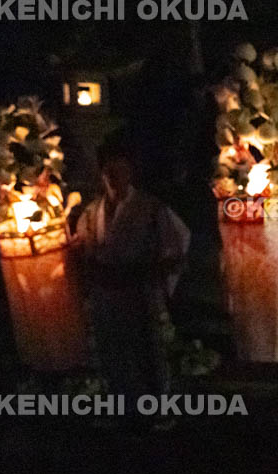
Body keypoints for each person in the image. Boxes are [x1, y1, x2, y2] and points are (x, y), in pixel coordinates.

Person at [73, 143, 190, 431]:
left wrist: (158, 277)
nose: (114, 177)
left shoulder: (151, 208)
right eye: (108, 172)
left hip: (139, 288)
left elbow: (176, 244)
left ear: (130, 173)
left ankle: (160, 410)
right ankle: (120, 408)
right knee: (110, 350)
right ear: (102, 175)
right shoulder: (92, 211)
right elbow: (84, 249)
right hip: (106, 290)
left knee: (148, 349)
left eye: (120, 171)